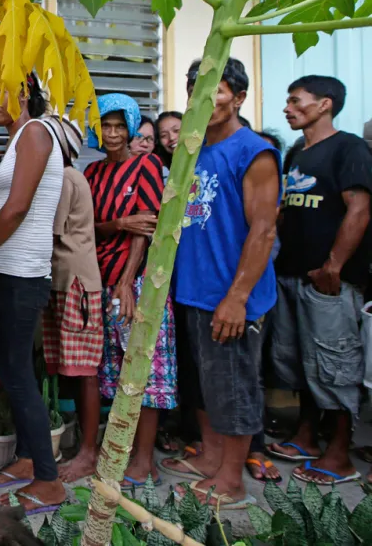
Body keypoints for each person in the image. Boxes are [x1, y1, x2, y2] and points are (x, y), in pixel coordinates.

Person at [159, 58, 281, 508]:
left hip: (230, 297)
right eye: (197, 89)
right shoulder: (191, 151)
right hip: (194, 291)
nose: (206, 99)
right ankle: (212, 459)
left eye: (219, 90)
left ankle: (231, 481)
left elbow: (264, 230)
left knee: (234, 388)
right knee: (209, 385)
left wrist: (238, 297)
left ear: (240, 98)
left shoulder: (254, 151)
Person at [268, 75, 372, 485]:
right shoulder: (297, 152)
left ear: (325, 104)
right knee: (302, 363)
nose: (288, 108)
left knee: (336, 365)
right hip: (292, 277)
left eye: (296, 101)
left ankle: (340, 455)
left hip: (329, 282)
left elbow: (360, 211)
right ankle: (307, 437)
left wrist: (333, 267)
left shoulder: (350, 148)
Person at [0, 74, 66, 513]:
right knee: (15, 370)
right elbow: (1, 200)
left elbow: (18, 206)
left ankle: (49, 481)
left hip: (22, 272)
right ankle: (30, 459)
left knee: (15, 372)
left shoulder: (35, 132)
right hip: (9, 270)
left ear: (24, 93)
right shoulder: (19, 137)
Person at [82, 93, 176, 489]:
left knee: (145, 369)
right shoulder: (92, 175)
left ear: (132, 128)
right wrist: (119, 222)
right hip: (102, 281)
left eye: (122, 126)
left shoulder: (148, 165)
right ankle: (119, 451)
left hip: (137, 284)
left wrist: (126, 280)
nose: (115, 133)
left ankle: (143, 460)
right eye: (107, 125)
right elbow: (92, 227)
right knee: (116, 372)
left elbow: (148, 225)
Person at [40, 118, 107, 484]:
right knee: (71, 369)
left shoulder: (65, 178)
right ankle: (79, 446)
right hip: (64, 282)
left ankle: (88, 452)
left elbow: (48, 230)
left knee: (84, 371)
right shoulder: (64, 177)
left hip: (75, 283)